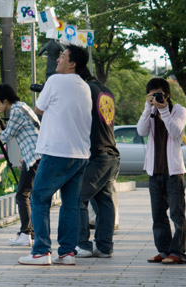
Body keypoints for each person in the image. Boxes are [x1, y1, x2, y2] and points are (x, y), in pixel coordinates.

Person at [18, 44, 92, 266]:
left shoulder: (55, 81)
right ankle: (67, 252)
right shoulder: (85, 86)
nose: (58, 59)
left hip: (57, 151)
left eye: (63, 56)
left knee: (39, 198)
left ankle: (40, 251)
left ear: (73, 64)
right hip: (80, 154)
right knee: (70, 204)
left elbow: (38, 108)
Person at [136, 77, 186, 264]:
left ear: (167, 95)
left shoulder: (178, 111)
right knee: (158, 215)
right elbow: (141, 131)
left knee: (176, 214)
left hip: (173, 173)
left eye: (159, 94)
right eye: (152, 95)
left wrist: (163, 110)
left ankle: (178, 253)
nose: (156, 98)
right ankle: (164, 251)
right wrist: (147, 108)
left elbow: (175, 132)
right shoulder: (150, 111)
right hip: (154, 172)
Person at [0, 83, 41, 246]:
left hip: (35, 157)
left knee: (22, 194)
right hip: (36, 155)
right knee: (29, 195)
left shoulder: (15, 110)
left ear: (5, 100)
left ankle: (25, 233)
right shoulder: (22, 107)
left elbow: (6, 136)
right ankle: (31, 232)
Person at [76, 66, 120, 259]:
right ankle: (104, 247)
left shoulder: (86, 90)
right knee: (104, 202)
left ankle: (83, 245)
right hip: (111, 154)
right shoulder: (105, 90)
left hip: (97, 155)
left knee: (77, 198)